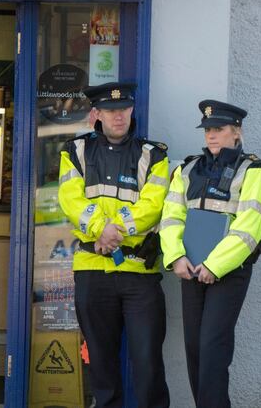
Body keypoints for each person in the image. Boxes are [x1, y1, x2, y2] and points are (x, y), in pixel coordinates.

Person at [58, 82, 170, 408]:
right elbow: (70, 200)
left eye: (123, 110)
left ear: (132, 111)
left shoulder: (154, 156)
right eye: (110, 110)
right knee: (101, 362)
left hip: (138, 273)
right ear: (97, 114)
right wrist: (98, 229)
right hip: (92, 271)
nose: (118, 117)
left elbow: (153, 205)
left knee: (147, 360)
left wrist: (114, 231)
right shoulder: (75, 152)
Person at [159, 100, 261, 408]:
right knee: (195, 350)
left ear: (236, 132)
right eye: (208, 129)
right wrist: (176, 257)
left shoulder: (253, 172)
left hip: (227, 273)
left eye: (219, 129)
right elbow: (171, 218)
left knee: (213, 349)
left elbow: (249, 230)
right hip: (190, 268)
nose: (211, 136)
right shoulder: (188, 168)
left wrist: (214, 265)